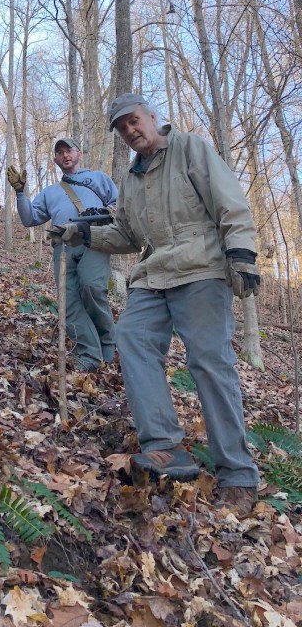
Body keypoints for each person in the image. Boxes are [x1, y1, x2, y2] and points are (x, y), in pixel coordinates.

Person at [51, 94, 260, 515]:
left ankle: (238, 473)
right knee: (131, 337)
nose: (130, 130)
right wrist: (82, 234)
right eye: (122, 127)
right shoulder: (131, 179)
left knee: (209, 361)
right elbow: (128, 234)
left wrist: (242, 253)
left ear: (151, 116)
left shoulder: (190, 148)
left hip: (201, 267)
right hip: (153, 273)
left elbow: (230, 202)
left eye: (133, 120)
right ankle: (164, 444)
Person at [7, 138, 117, 371]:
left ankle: (108, 344)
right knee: (69, 303)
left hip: (93, 241)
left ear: (80, 154)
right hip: (63, 247)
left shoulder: (98, 179)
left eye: (69, 151)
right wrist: (20, 192)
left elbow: (118, 206)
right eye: (60, 152)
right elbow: (29, 219)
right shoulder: (50, 192)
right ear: (55, 159)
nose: (65, 155)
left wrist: (105, 214)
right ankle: (89, 354)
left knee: (92, 288)